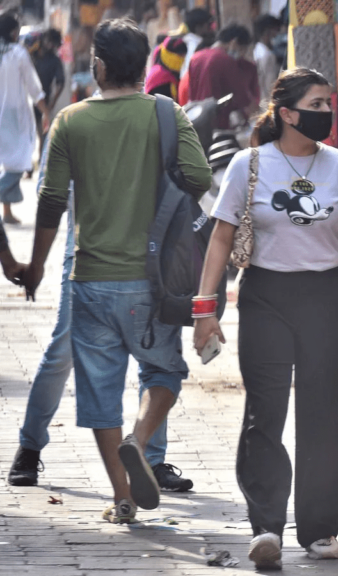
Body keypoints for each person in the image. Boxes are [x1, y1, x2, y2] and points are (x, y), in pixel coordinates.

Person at [192, 68, 338, 570]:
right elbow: (220, 236)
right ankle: (266, 527)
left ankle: (320, 527)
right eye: (318, 104)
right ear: (287, 113)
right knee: (265, 412)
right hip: (265, 297)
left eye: (329, 103)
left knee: (326, 412)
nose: (328, 112)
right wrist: (204, 308)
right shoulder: (248, 163)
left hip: (326, 298)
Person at [20, 18, 211, 524]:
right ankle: (141, 438)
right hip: (152, 281)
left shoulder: (71, 121)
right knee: (164, 371)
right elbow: (198, 176)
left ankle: (122, 498)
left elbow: (51, 201)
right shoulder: (166, 114)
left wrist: (36, 266)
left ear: (98, 65)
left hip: (90, 280)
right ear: (145, 66)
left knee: (100, 393)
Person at [7, 134, 196, 493]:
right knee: (63, 350)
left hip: (147, 255)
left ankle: (151, 459)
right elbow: (51, 194)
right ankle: (30, 447)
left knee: (153, 353)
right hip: (86, 254)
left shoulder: (157, 116)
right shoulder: (76, 121)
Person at [0, 12, 50, 225]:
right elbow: (33, 86)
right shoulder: (18, 53)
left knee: (11, 163)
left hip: (2, 115)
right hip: (17, 116)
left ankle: (7, 213)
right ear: (13, 31)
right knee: (19, 162)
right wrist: (46, 111)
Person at [187, 24, 259, 129]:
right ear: (234, 42)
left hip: (197, 120)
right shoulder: (226, 60)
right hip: (218, 123)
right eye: (242, 49)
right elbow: (242, 97)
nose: (242, 54)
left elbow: (191, 92)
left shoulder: (196, 58)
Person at [31, 29, 65, 161]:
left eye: (54, 43)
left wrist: (51, 104)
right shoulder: (32, 54)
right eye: (50, 41)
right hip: (28, 99)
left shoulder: (55, 60)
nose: (51, 45)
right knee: (31, 133)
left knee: (42, 133)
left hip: (43, 101)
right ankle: (30, 164)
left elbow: (61, 83)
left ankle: (39, 162)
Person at [144, 36, 188, 100]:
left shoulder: (171, 72)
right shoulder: (159, 77)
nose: (182, 60)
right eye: (180, 56)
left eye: (184, 56)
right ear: (169, 55)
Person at [252, 14, 281, 104]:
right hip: (267, 101)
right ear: (267, 31)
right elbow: (270, 84)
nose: (277, 34)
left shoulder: (257, 49)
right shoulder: (267, 55)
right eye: (276, 30)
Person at [178, 8, 214, 76]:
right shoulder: (195, 46)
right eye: (208, 24)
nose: (211, 27)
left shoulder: (190, 41)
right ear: (198, 27)